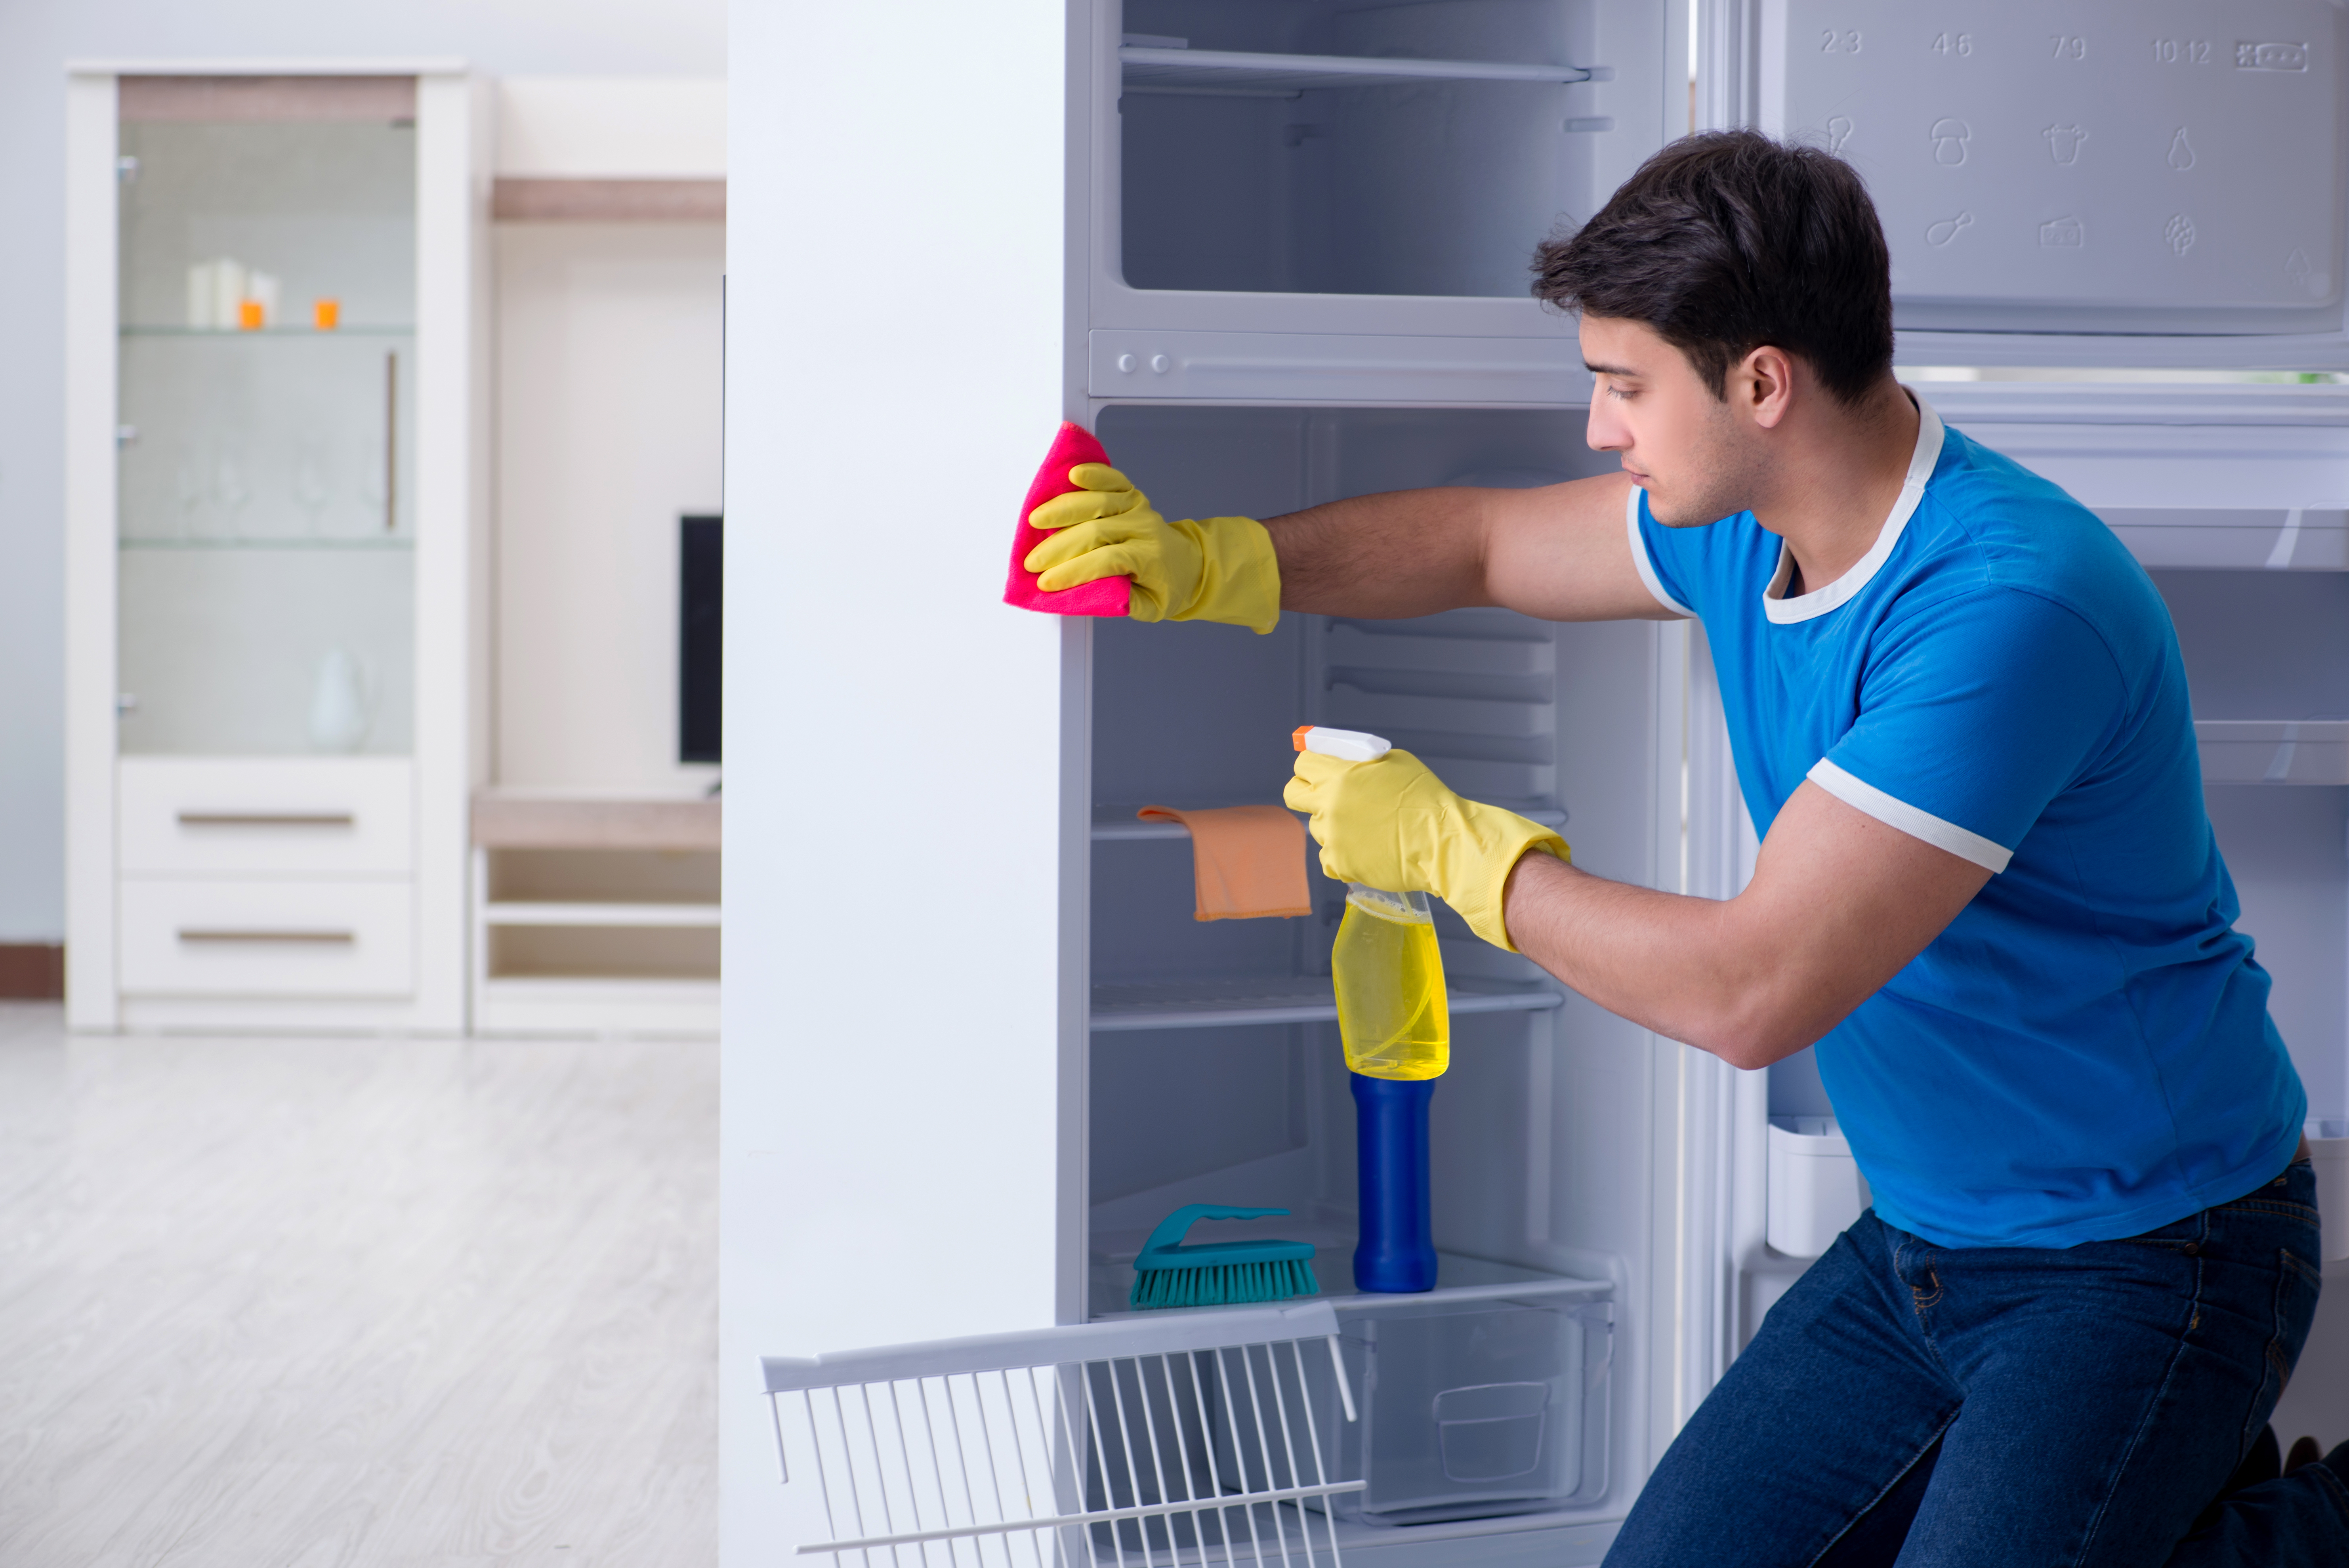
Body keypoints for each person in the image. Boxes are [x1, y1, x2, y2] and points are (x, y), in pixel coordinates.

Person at [1022, 132, 2349, 1564]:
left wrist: (1462, 856)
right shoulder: (1742, 520)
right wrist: (1216, 563)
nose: (1602, 429)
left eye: (1623, 386)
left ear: (1760, 384)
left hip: (2150, 1256)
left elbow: (1753, 992)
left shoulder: (2002, 607)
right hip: (1917, 1245)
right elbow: (1476, 542)